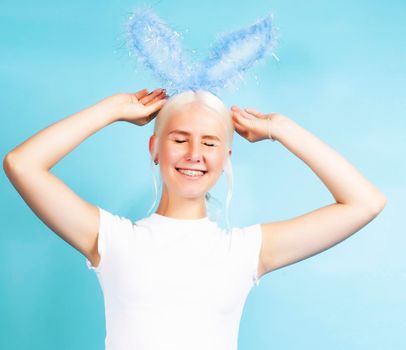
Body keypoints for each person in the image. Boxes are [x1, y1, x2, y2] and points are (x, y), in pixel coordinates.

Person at [3, 87, 387, 349]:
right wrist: (111, 110)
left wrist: (279, 129)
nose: (194, 154)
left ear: (226, 157)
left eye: (209, 142)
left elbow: (365, 202)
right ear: (155, 148)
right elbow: (21, 164)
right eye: (179, 138)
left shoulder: (246, 251)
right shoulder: (111, 239)